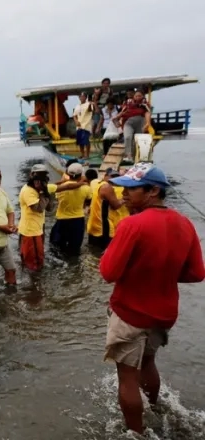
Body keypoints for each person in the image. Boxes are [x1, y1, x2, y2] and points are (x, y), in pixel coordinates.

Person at [99, 163, 204, 434]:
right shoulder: (185, 223)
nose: (122, 193)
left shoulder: (131, 224)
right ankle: (156, 408)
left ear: (153, 191)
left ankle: (136, 433)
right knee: (148, 362)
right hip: (164, 314)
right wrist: (160, 273)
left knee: (127, 376)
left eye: (131, 189)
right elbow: (196, 273)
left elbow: (108, 272)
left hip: (131, 312)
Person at [17, 164, 83, 271]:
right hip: (30, 232)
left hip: (37, 229)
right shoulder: (28, 191)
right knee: (35, 264)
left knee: (35, 258)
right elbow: (38, 208)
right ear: (31, 175)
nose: (39, 179)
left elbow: (65, 188)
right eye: (37, 175)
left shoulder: (44, 187)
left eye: (42, 175)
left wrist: (82, 183)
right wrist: (44, 193)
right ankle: (35, 283)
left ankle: (33, 280)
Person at [50, 163, 92, 254]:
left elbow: (57, 198)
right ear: (81, 175)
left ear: (68, 174)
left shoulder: (61, 188)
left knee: (59, 247)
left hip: (62, 220)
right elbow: (89, 200)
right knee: (75, 248)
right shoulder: (86, 188)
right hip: (78, 220)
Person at [86, 168, 129, 248]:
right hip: (104, 228)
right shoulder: (107, 188)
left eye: (116, 176)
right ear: (105, 176)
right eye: (112, 176)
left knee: (93, 249)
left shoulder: (96, 183)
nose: (114, 179)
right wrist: (125, 199)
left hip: (93, 225)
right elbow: (115, 205)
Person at [113, 91, 152, 162]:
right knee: (127, 137)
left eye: (139, 96)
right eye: (136, 96)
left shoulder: (144, 104)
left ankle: (135, 158)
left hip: (140, 123)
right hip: (128, 123)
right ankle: (128, 155)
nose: (138, 97)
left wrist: (148, 123)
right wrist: (116, 118)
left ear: (142, 96)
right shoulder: (128, 103)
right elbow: (122, 112)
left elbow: (147, 113)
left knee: (136, 141)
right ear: (134, 97)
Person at [73, 92, 94, 159]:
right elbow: (74, 115)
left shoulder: (88, 104)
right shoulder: (77, 106)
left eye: (83, 96)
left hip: (86, 125)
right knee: (80, 142)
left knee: (86, 141)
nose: (82, 98)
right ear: (79, 97)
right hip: (79, 126)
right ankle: (82, 154)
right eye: (80, 96)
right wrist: (76, 121)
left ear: (86, 97)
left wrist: (91, 104)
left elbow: (90, 110)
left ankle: (87, 155)